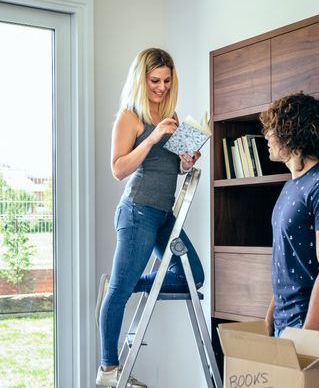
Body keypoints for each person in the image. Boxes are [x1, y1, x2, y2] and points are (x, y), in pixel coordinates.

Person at [95, 48, 205, 388]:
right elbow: (118, 169)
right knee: (119, 293)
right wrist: (155, 136)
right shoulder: (130, 116)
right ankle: (108, 370)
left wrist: (186, 161)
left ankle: (121, 286)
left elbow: (169, 167)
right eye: (154, 80)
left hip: (163, 215)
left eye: (167, 81)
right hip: (137, 211)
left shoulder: (171, 114)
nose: (160, 87)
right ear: (141, 79)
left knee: (193, 277)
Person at [259, 92, 319, 338]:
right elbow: (288, 259)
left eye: (271, 129)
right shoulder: (291, 185)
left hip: (316, 328)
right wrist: (271, 314)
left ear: (291, 133)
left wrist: (307, 338)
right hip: (286, 324)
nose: (266, 136)